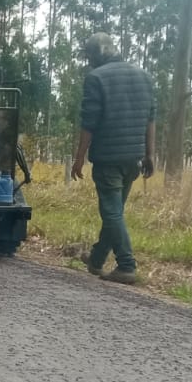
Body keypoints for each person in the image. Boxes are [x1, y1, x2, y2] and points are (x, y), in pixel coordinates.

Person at [70, 32, 156, 284]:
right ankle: (96, 260)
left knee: (111, 213)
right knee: (114, 212)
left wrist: (79, 158)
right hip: (134, 159)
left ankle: (126, 264)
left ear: (96, 55)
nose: (88, 62)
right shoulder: (143, 76)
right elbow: (151, 118)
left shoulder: (96, 78)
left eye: (89, 56)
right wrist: (150, 154)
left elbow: (89, 122)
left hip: (108, 158)